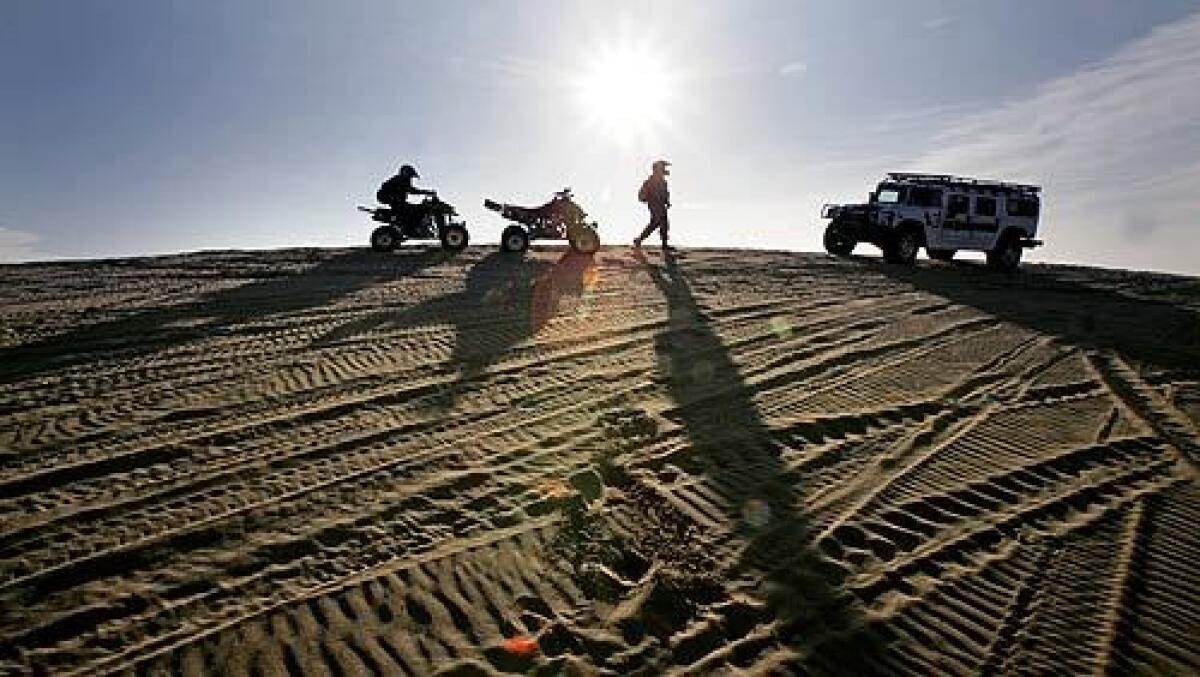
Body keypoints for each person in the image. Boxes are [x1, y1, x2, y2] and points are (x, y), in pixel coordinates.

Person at [634, 160, 671, 249]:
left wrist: (667, 202)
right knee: (662, 221)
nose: (664, 169)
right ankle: (664, 244)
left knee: (655, 223)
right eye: (662, 167)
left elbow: (665, 193)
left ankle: (639, 240)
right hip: (654, 204)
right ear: (657, 169)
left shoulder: (663, 182)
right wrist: (649, 200)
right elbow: (642, 194)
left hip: (660, 205)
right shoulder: (651, 181)